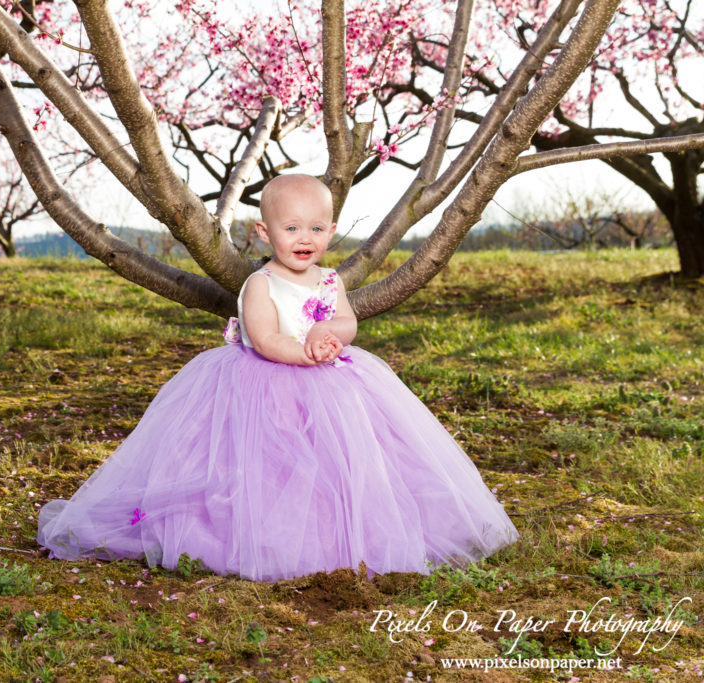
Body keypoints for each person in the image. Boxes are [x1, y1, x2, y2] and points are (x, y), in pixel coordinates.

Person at [37, 174, 518, 582]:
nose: (303, 237)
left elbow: (347, 321)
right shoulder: (260, 284)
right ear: (264, 233)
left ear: (331, 230)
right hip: (261, 386)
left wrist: (332, 332)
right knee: (267, 464)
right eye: (291, 228)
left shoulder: (331, 281)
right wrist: (304, 351)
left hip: (331, 383)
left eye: (315, 227)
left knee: (339, 461)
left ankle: (343, 529)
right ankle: (263, 532)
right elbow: (264, 338)